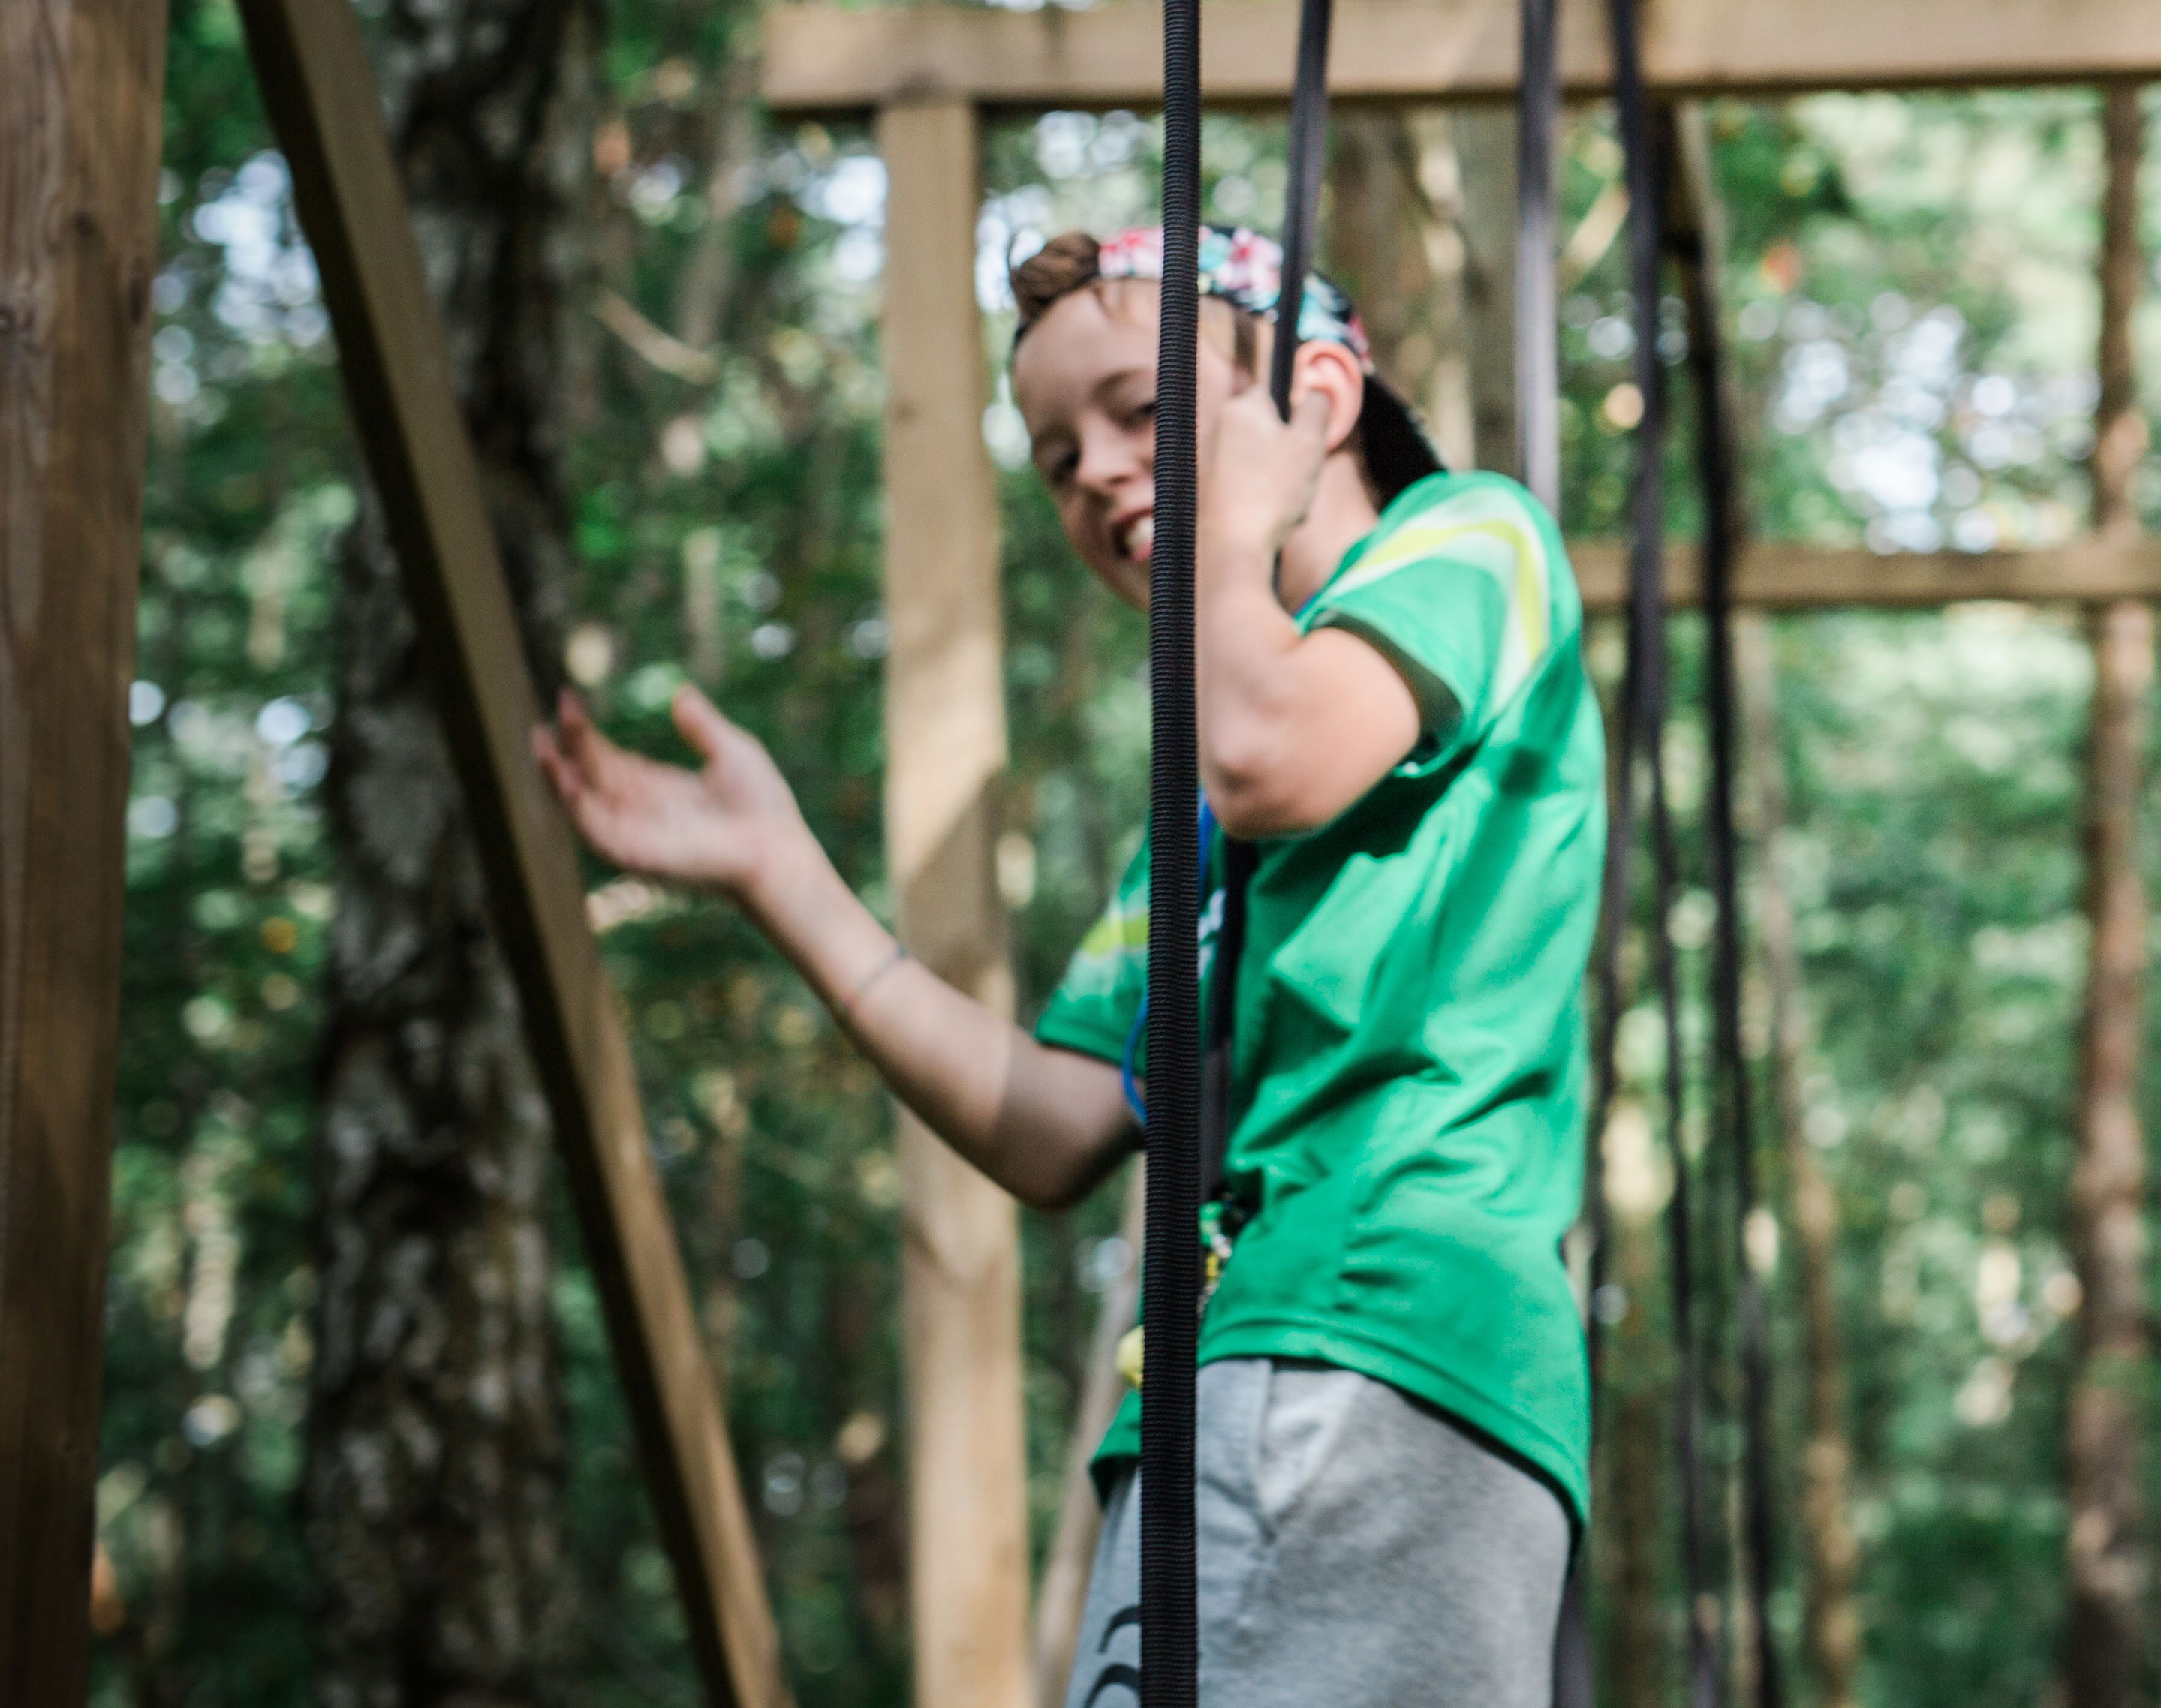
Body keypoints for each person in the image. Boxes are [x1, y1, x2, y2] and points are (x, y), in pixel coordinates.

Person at [537, 224, 1600, 1708]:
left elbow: (1276, 750)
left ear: (1318, 397)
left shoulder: (1467, 538)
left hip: (1351, 1337)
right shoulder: (1202, 816)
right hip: (1298, 1365)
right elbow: (1056, 1122)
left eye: (1147, 413)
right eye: (1053, 457)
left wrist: (1234, 535)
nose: (1096, 471)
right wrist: (782, 879)